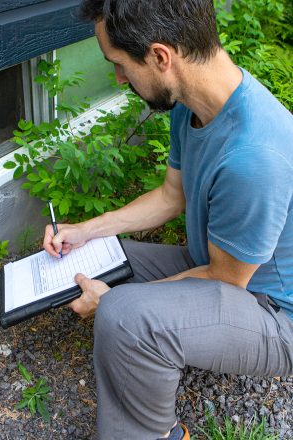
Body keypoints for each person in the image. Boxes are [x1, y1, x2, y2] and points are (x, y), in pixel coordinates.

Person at [43, 1, 293, 439]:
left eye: (119, 65)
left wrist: (114, 304)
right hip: (224, 270)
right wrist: (85, 231)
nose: (119, 79)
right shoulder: (191, 105)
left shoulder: (254, 155)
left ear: (160, 57)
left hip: (273, 315)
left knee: (122, 314)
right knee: (103, 255)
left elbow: (226, 278)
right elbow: (169, 196)